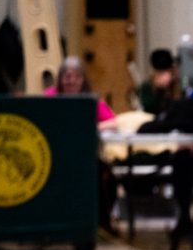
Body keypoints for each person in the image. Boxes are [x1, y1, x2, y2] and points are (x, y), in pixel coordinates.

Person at [44, 56, 119, 232]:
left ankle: (103, 221)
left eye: (76, 77)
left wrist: (91, 126)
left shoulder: (91, 100)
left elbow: (113, 123)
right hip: (55, 158)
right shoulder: (49, 96)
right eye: (67, 77)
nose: (72, 81)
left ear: (83, 80)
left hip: (84, 158)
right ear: (61, 79)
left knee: (108, 177)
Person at [137, 48, 179, 116]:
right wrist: (159, 89)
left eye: (167, 72)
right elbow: (148, 108)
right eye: (160, 73)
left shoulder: (178, 85)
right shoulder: (147, 86)